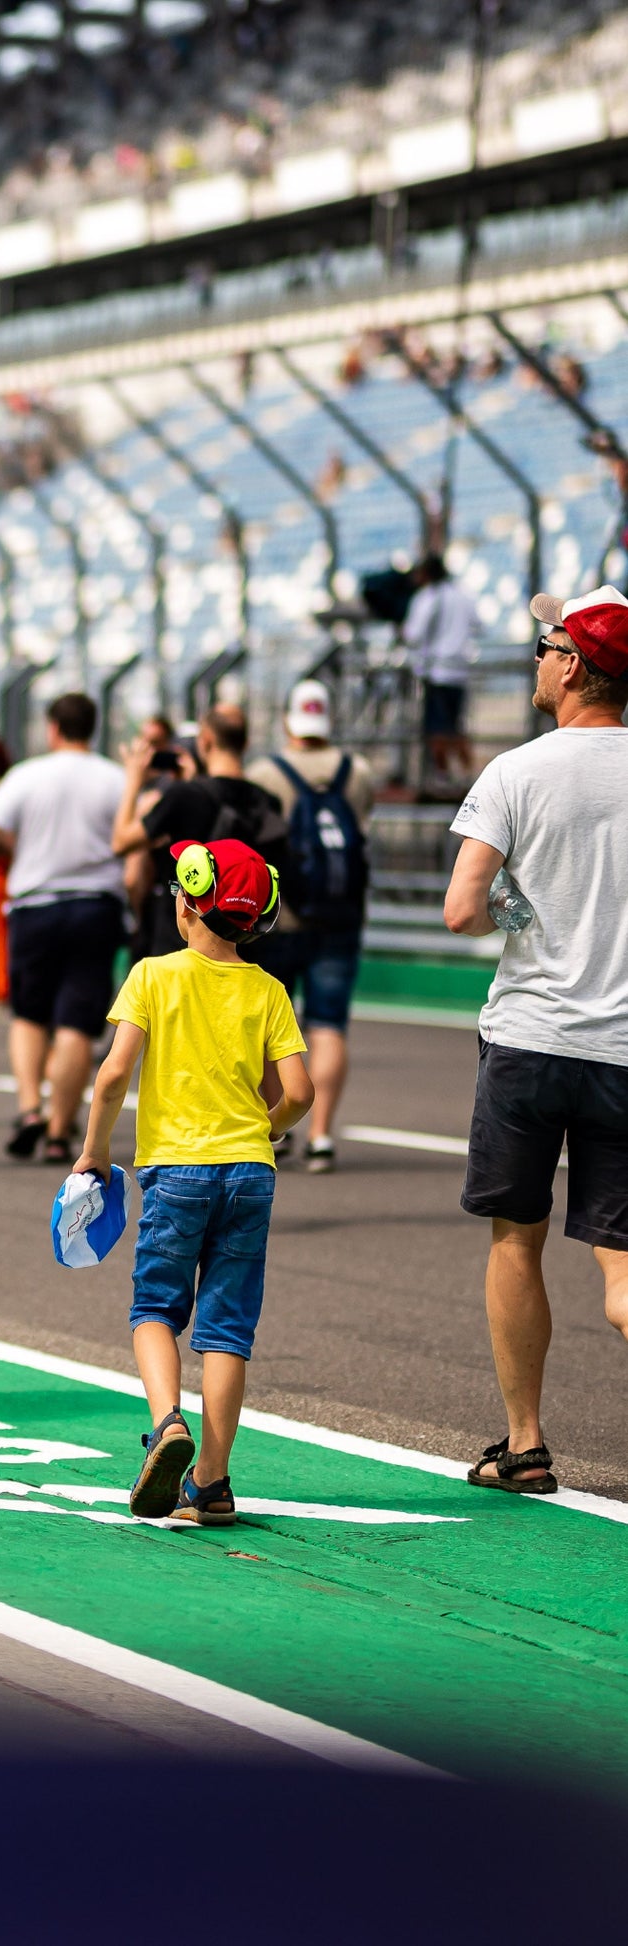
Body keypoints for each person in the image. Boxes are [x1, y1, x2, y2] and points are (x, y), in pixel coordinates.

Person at [442, 584, 628, 1495]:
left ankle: (524, 1444)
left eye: (549, 645)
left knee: (518, 1238)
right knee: (624, 1273)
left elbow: (462, 908)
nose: (539, 659)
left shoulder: (517, 771)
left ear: (575, 667)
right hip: (626, 1047)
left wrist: (523, 908)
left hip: (530, 1036)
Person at [73, 838, 312, 1525]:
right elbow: (299, 1090)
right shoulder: (268, 989)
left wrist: (94, 1151)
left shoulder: (151, 975)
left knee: (155, 1309)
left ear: (186, 903)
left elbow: (115, 1073)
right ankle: (211, 1481)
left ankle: (167, 1423)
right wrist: (269, 1128)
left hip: (177, 1171)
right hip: (250, 1172)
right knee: (227, 1329)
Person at [0, 693, 127, 1164]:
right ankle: (61, 1131)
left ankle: (29, 1108)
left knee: (29, 1016)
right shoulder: (115, 778)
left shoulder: (27, 774)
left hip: (35, 907)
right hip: (97, 908)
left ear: (52, 728)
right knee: (77, 1024)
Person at [246, 680, 376, 1172]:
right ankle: (322, 1136)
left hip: (281, 918)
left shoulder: (265, 773)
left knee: (272, 1031)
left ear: (288, 721)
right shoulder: (356, 771)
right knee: (328, 1026)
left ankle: (278, 1130)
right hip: (340, 916)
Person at [112, 703, 285, 962]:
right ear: (246, 743)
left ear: (205, 741)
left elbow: (121, 842)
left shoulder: (183, 795)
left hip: (179, 943)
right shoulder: (268, 802)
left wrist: (134, 780)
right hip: (242, 947)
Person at [404, 553, 476, 787]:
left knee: (436, 728)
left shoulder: (427, 598)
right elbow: (479, 624)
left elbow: (413, 634)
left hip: (436, 670)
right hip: (460, 670)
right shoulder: (463, 595)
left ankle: (442, 776)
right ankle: (467, 773)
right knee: (456, 726)